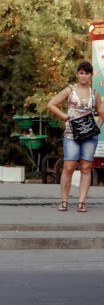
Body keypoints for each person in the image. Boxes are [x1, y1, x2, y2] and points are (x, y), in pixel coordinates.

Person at [48, 61, 104, 213]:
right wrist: (64, 116)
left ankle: (81, 202)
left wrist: (97, 128)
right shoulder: (70, 90)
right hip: (71, 135)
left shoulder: (94, 93)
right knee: (68, 167)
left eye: (87, 73)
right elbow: (51, 104)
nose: (84, 76)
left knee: (86, 168)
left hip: (89, 136)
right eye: (81, 73)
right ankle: (64, 201)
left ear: (91, 75)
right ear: (77, 74)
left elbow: (101, 111)